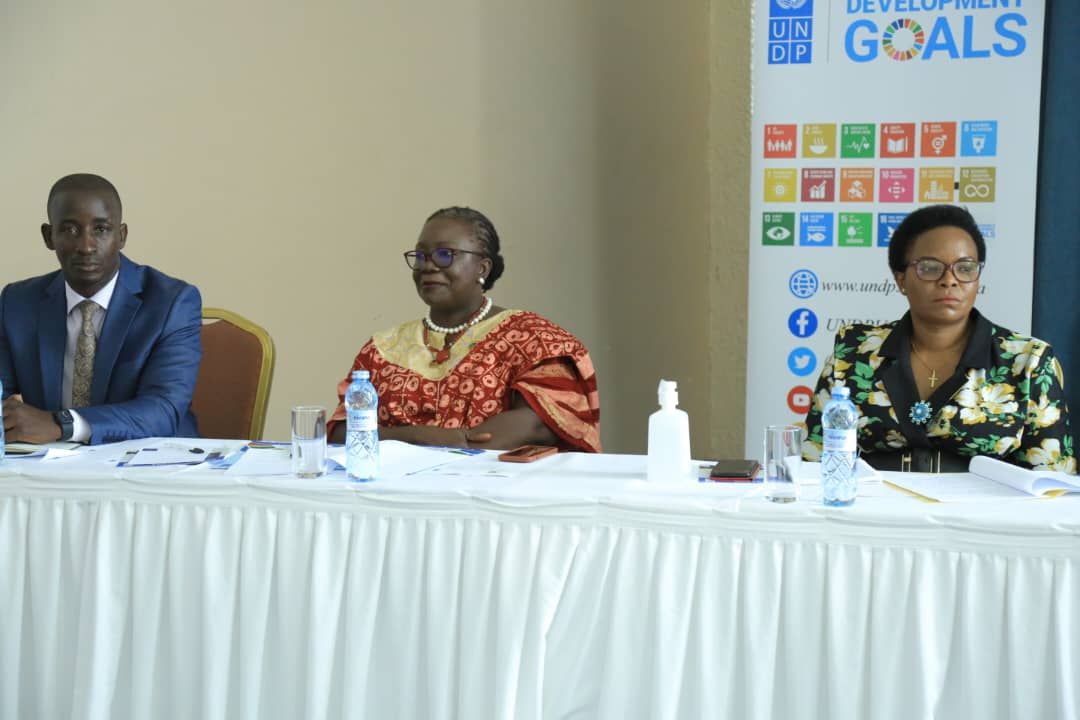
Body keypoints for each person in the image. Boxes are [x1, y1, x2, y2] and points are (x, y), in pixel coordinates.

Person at [802, 204, 1075, 473]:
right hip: (873, 514)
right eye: (930, 268)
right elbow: (815, 463)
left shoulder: (1027, 363)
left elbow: (1049, 482)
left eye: (965, 268)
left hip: (985, 516)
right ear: (900, 279)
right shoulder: (853, 353)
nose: (949, 280)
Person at [328, 206, 600, 452]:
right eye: (421, 256)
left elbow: (536, 426)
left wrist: (389, 437)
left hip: (494, 497)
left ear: (483, 267)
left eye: (445, 255)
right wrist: (432, 437)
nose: (428, 266)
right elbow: (342, 432)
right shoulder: (382, 348)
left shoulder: (535, 340)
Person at [0, 174, 202, 445]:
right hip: (43, 468)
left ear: (121, 236)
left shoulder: (172, 303)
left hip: (149, 467)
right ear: (49, 236)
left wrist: (63, 425)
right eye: (70, 230)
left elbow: (162, 410)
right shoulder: (17, 302)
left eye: (101, 229)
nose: (86, 246)